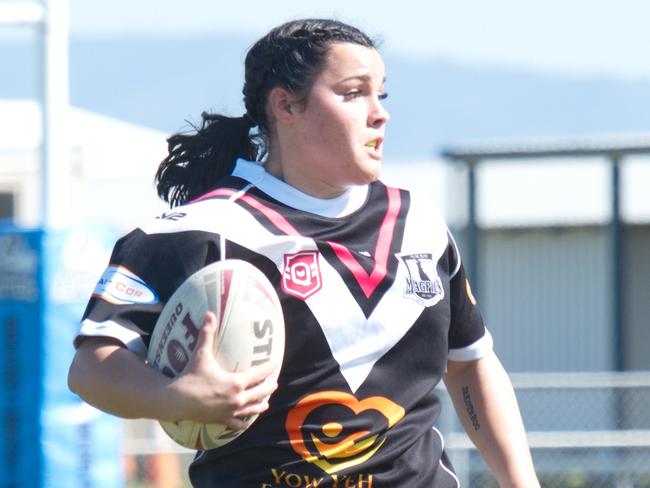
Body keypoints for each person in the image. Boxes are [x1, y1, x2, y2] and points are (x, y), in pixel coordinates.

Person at [68, 18, 540, 487]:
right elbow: (91, 367)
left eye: (382, 95)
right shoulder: (199, 232)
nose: (379, 114)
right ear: (285, 106)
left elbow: (470, 364)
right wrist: (174, 396)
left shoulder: (419, 223)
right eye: (354, 93)